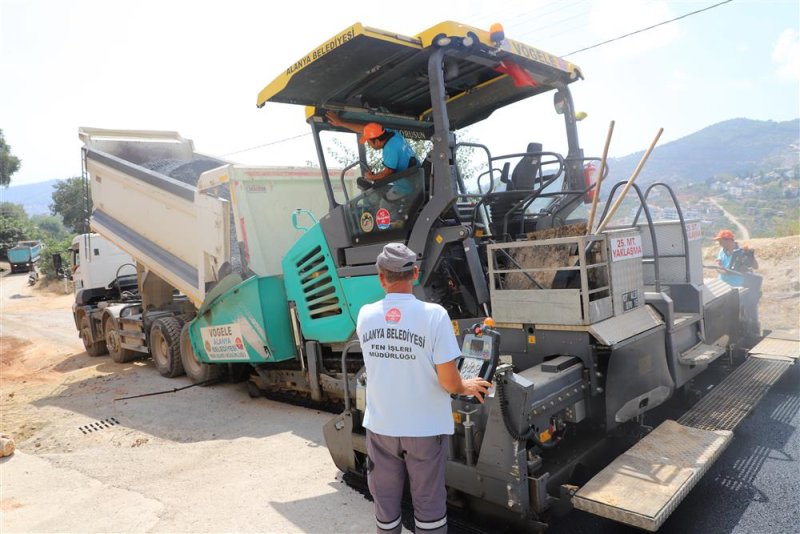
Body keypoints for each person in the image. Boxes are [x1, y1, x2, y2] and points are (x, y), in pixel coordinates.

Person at [357, 243, 491, 534]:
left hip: (381, 427)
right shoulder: (434, 315)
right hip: (424, 430)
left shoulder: (365, 315)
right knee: (428, 506)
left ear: (381, 278)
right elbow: (449, 381)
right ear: (415, 274)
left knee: (386, 503)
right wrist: (466, 386)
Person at [326, 112, 419, 185]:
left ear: (377, 141)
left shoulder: (389, 149)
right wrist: (341, 123)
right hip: (416, 175)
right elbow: (365, 130)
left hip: (408, 186)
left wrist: (371, 177)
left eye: (368, 141)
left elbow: (387, 172)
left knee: (383, 203)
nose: (368, 144)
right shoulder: (392, 134)